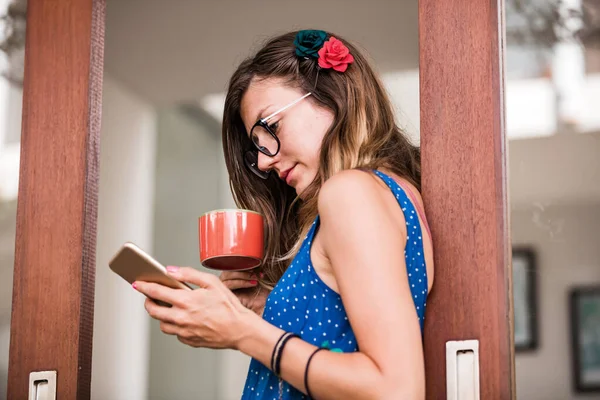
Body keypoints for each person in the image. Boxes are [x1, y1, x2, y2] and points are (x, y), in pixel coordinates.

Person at [133, 29, 434, 399]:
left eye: (270, 128)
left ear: (332, 96)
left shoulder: (350, 192)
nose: (263, 160)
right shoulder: (396, 193)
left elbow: (396, 389)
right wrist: (273, 309)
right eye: (255, 147)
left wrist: (242, 331)